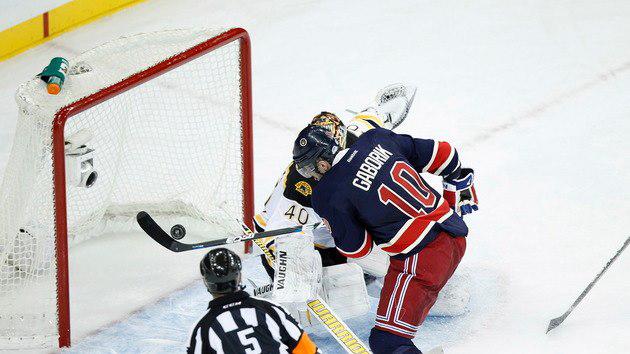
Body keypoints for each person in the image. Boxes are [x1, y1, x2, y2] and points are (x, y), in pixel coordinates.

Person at [291, 123, 478, 353]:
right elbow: (446, 155)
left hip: (423, 260)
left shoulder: (326, 193)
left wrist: (335, 227)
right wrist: (455, 183)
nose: (311, 176)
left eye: (309, 170)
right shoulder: (375, 138)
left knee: (387, 342)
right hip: (454, 230)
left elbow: (358, 249)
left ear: (321, 163)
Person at [187, 248, 320, 354]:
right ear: (239, 276)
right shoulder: (271, 310)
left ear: (206, 282)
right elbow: (308, 351)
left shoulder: (202, 329)